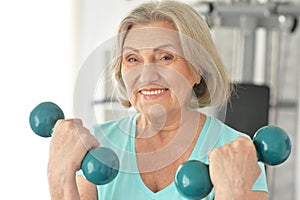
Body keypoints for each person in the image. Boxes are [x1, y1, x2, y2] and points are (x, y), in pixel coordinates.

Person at [47, 0, 268, 199]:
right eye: (132, 59)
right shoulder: (95, 147)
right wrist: (58, 176)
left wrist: (233, 193)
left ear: (198, 69)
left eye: (165, 57)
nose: (146, 75)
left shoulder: (238, 152)